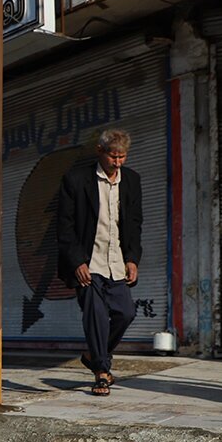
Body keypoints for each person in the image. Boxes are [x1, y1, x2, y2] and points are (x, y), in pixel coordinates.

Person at [57, 129, 143, 397]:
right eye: (113, 156)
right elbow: (65, 226)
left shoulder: (131, 181)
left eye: (122, 157)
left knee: (125, 312)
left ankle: (92, 354)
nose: (117, 162)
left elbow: (134, 224)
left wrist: (132, 258)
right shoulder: (76, 180)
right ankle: (102, 373)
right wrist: (77, 262)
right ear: (100, 151)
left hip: (116, 262)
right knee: (95, 315)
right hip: (89, 263)